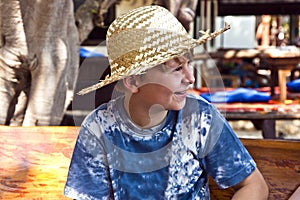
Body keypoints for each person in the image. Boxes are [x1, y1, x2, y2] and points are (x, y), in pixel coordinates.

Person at [64, 5, 269, 199]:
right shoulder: (99, 129)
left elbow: (254, 185)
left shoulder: (199, 118)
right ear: (133, 80)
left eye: (189, 64)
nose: (191, 78)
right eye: (177, 69)